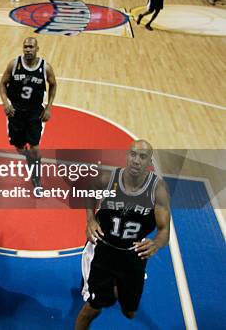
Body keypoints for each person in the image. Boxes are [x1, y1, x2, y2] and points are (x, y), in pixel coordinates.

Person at [75, 140, 171, 329]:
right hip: (102, 251)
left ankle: (115, 287)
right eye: (133, 155)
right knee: (93, 308)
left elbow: (164, 230)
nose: (136, 160)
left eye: (142, 157)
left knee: (130, 313)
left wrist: (156, 243)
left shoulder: (157, 190)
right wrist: (90, 219)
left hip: (132, 254)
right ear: (127, 156)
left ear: (149, 161)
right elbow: (90, 193)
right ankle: (99, 289)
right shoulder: (108, 179)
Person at [0, 37, 57, 190]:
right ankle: (27, 156)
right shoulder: (14, 64)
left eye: (31, 47)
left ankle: (36, 179)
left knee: (35, 148)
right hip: (15, 112)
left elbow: (53, 85)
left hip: (34, 113)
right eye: (25, 47)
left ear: (37, 49)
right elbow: (2, 84)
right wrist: (5, 103)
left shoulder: (45, 67)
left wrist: (49, 107)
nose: (28, 50)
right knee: (18, 146)